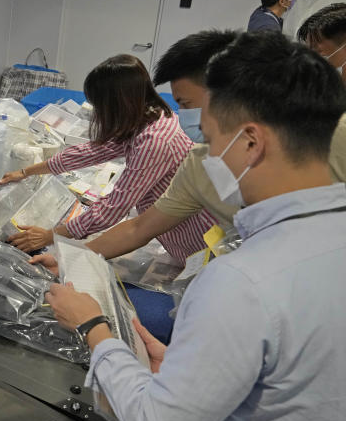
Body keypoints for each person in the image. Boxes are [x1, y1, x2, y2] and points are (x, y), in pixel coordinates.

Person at [43, 31, 346, 421]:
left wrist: (94, 329)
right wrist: (191, 368)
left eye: (208, 137)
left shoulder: (243, 281)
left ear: (250, 142)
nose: (203, 151)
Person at [85, 29, 346, 261]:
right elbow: (139, 228)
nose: (183, 115)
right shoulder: (200, 163)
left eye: (186, 104)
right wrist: (76, 257)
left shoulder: (332, 134)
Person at [0, 54, 214, 264]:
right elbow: (92, 151)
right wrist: (26, 172)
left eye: (100, 106)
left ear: (118, 103)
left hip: (195, 242)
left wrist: (50, 235)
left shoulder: (155, 140)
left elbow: (113, 210)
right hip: (174, 231)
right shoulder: (149, 117)